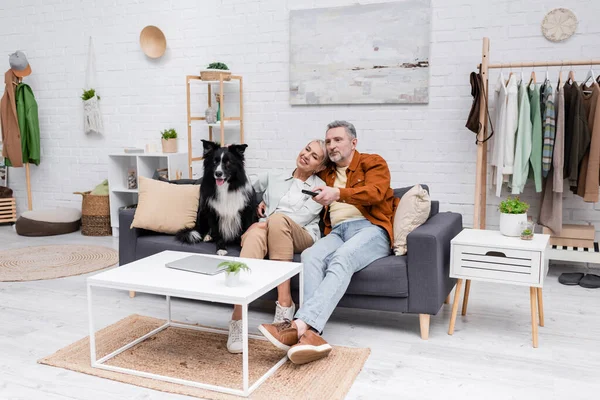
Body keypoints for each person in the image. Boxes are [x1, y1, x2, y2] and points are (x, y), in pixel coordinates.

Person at [258, 120, 397, 365]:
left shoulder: (373, 162)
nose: (332, 145)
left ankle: (298, 325)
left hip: (371, 229)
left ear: (353, 143)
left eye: (338, 140)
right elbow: (297, 178)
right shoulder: (326, 173)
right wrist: (268, 202)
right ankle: (310, 337)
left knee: (342, 258)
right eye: (329, 141)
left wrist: (338, 193)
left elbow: (376, 192)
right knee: (311, 256)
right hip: (337, 232)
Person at [227, 139, 330, 353]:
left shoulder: (319, 188)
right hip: (269, 230)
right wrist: (255, 206)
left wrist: (264, 222)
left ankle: (285, 303)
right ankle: (238, 314)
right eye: (307, 149)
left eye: (314, 156)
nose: (306, 155)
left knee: (269, 224)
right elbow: (242, 188)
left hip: (301, 235)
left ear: (320, 166)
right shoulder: (274, 176)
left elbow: (302, 218)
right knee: (254, 235)